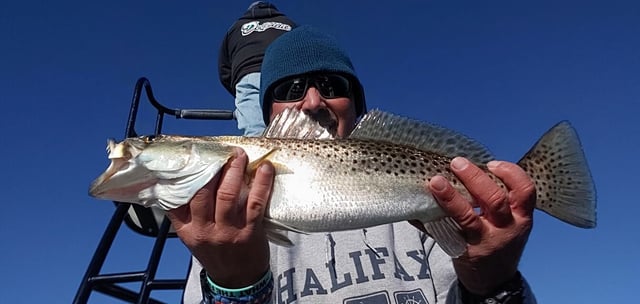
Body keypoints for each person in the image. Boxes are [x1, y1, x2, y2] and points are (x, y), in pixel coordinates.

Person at [170, 25, 537, 303]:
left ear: (357, 106)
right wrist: (237, 287)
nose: (312, 101)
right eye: (290, 89)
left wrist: (492, 281)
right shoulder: (221, 230)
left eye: (331, 84)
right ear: (268, 117)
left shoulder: (443, 216)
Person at [218, 1, 296, 136]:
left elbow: (224, 68)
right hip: (284, 76)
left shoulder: (235, 28)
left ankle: (260, 156)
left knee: (256, 132)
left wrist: (237, 87)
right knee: (291, 129)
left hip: (248, 75)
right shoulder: (288, 23)